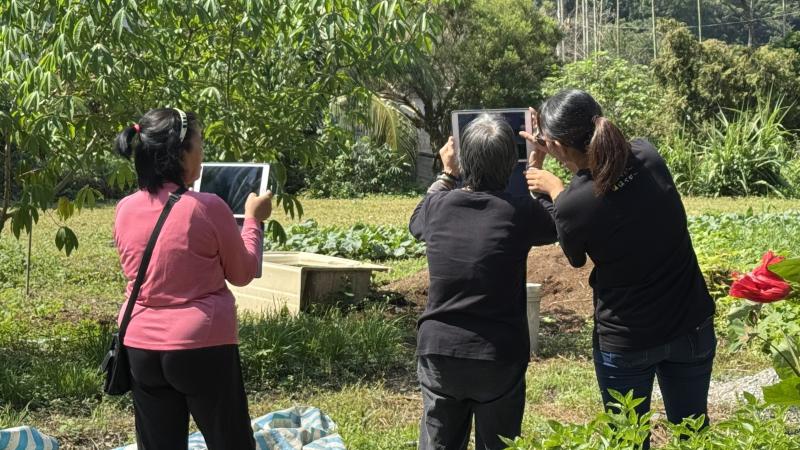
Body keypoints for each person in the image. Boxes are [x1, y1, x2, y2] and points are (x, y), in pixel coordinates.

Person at [521, 89, 716, 448]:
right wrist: (560, 161)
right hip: (691, 324)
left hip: (629, 339)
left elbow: (575, 254)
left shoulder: (573, 203)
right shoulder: (647, 154)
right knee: (694, 436)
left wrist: (548, 183)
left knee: (627, 440)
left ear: (559, 146)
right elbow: (609, 185)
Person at [113, 108, 273, 450]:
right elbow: (243, 273)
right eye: (199, 142)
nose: (203, 151)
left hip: (140, 347)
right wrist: (254, 221)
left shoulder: (124, 208)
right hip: (201, 345)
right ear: (180, 152)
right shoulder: (208, 206)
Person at [409, 114, 557, 450]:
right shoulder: (517, 212)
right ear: (510, 164)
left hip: (439, 352)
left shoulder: (437, 206)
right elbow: (555, 223)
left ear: (462, 160)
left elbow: (415, 221)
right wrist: (537, 168)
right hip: (498, 357)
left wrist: (447, 174)